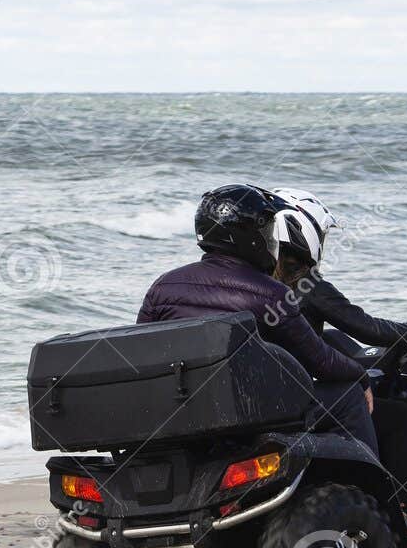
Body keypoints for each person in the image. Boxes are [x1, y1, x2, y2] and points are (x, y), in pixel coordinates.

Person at [270, 188, 407, 548]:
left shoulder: (251, 284)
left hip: (266, 401)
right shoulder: (305, 285)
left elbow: (317, 338)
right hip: (302, 405)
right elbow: (365, 326)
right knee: (398, 418)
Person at [136, 183, 376, 456]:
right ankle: (371, 485)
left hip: (181, 412)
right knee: (349, 396)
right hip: (249, 414)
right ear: (249, 237)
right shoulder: (272, 293)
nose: (270, 239)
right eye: (266, 231)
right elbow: (322, 362)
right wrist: (361, 376)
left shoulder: (164, 285)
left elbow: (142, 351)